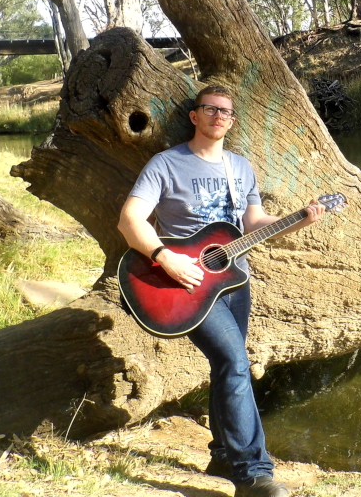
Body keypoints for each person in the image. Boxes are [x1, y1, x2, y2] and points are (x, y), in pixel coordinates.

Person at [118, 84, 324, 497]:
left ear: (231, 121)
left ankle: (222, 456)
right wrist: (166, 258)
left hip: (233, 281)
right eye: (210, 109)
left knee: (225, 367)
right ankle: (253, 473)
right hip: (182, 282)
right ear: (194, 116)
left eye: (226, 112)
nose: (218, 116)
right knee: (235, 363)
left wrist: (296, 220)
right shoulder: (166, 164)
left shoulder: (240, 167)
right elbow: (129, 220)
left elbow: (251, 223)